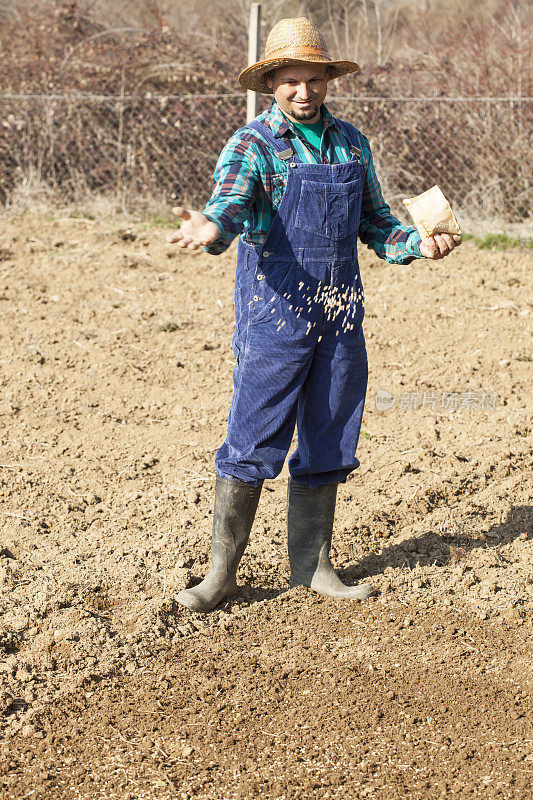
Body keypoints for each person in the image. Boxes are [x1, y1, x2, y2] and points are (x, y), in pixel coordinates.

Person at [168, 17, 461, 612]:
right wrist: (212, 227)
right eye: (291, 81)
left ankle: (314, 565)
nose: (304, 92)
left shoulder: (352, 142)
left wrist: (416, 245)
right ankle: (220, 574)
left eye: (315, 80)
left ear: (329, 80)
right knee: (253, 434)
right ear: (270, 82)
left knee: (330, 430)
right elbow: (228, 202)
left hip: (340, 314)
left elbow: (376, 223)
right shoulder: (253, 144)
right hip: (274, 313)